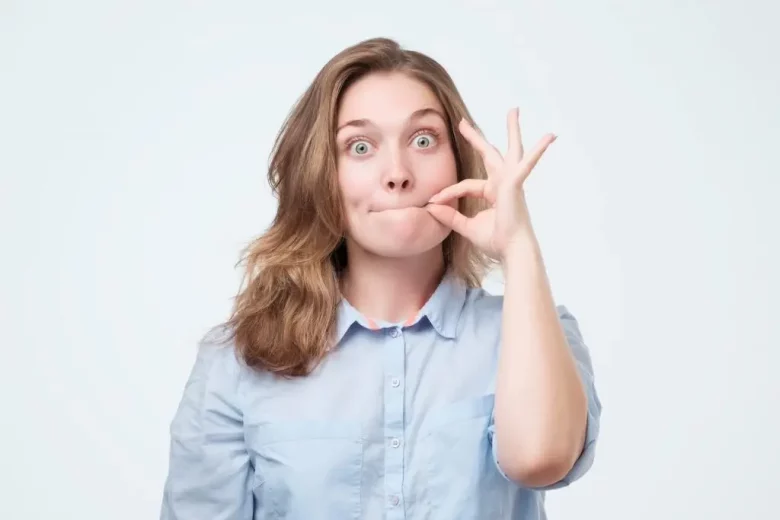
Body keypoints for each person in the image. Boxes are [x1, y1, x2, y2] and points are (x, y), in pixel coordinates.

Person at [160, 37, 601, 520]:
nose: (397, 173)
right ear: (321, 176)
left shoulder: (533, 332)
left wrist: (519, 247)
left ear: (460, 162)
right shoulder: (235, 363)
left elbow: (540, 460)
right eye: (361, 146)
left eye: (424, 140)